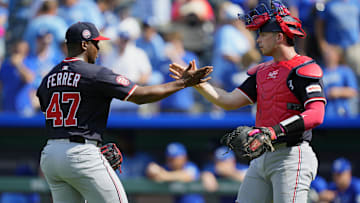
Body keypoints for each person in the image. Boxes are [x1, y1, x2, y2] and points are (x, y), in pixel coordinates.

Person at [36, 22, 212, 203]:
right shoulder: (94, 73)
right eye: (96, 43)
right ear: (84, 45)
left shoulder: (49, 77)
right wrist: (182, 83)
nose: (98, 48)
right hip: (81, 152)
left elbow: (46, 108)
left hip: (51, 155)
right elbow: (140, 95)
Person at [169, 1, 326, 202]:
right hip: (262, 157)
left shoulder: (303, 68)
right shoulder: (262, 71)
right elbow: (228, 100)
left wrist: (272, 131)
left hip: (292, 156)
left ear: (279, 37)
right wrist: (198, 84)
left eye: (262, 34)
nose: (257, 39)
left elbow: (316, 114)